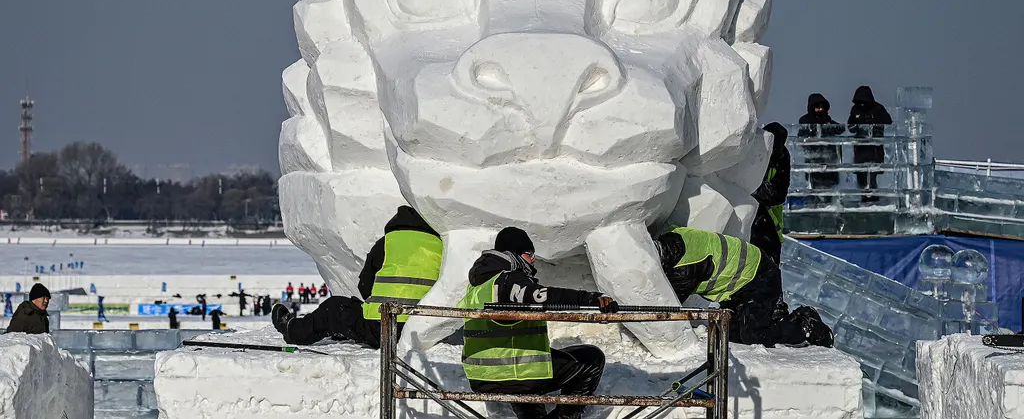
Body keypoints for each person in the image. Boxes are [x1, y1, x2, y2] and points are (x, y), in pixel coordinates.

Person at [460, 227, 617, 419]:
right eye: (529, 254)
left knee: (546, 368)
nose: (533, 260)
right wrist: (592, 298)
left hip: (483, 375)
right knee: (591, 360)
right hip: (516, 374)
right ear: (513, 254)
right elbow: (542, 296)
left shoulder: (478, 285)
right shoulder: (509, 281)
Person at [272, 205, 442, 349]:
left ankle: (293, 330)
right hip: (424, 330)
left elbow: (364, 286)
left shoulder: (387, 242)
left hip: (383, 329)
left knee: (334, 308)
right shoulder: (440, 245)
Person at [655, 226, 832, 348]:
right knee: (731, 334)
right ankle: (779, 320)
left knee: (754, 336)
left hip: (758, 276)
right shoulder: (670, 237)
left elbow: (663, 308)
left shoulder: (683, 270)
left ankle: (804, 325)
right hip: (742, 278)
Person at [750, 122, 791, 265]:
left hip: (768, 219)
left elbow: (779, 194)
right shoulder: (751, 150)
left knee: (769, 261)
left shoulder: (781, 156)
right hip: (747, 210)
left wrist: (755, 188)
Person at [847, 86, 893, 193]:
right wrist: (860, 125)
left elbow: (888, 122)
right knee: (861, 176)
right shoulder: (855, 109)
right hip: (860, 149)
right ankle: (863, 196)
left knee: (872, 175)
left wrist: (874, 122)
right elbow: (850, 127)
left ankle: (873, 197)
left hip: (875, 149)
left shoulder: (878, 109)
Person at [798, 93, 844, 192]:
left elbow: (841, 129)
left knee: (829, 189)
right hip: (813, 160)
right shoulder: (806, 122)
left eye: (821, 108)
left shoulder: (828, 121)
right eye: (817, 108)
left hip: (829, 160)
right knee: (815, 189)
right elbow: (801, 139)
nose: (819, 110)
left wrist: (828, 128)